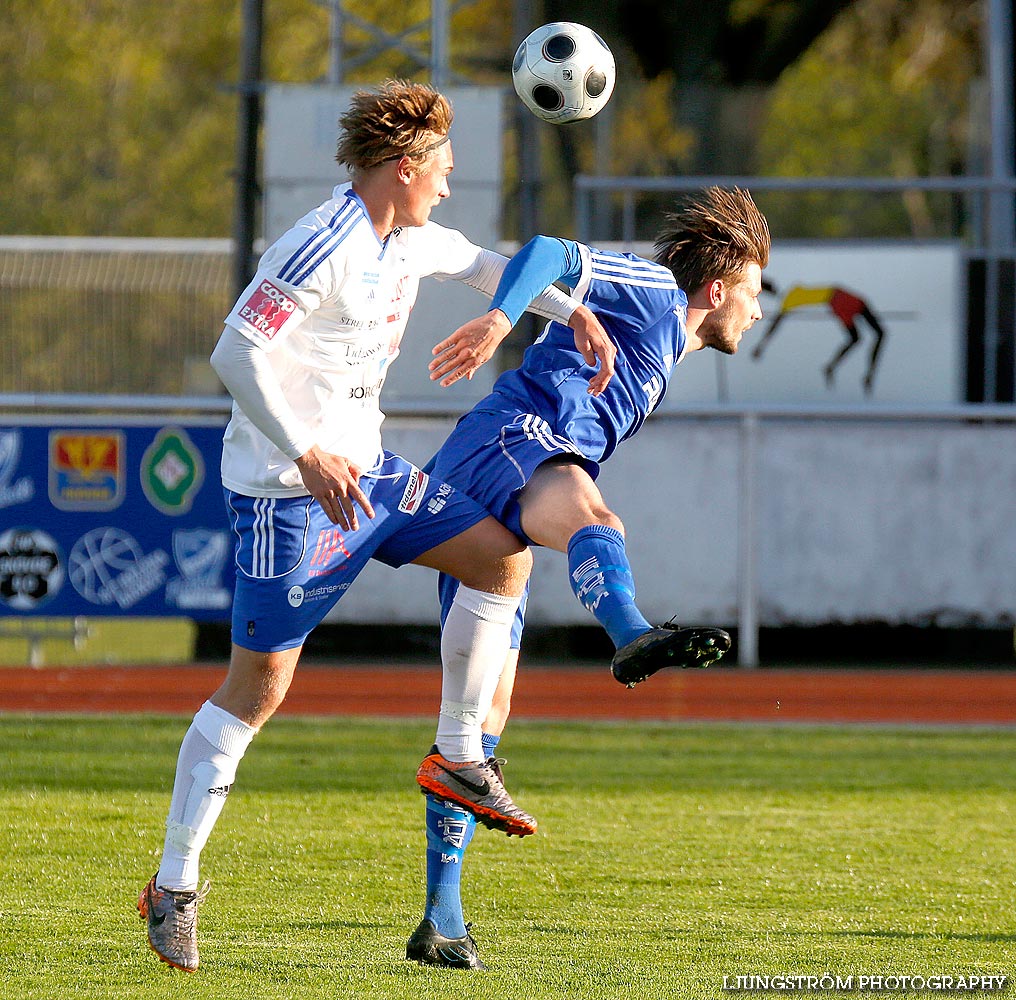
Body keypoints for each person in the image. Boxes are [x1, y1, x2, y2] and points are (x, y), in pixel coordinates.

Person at [136, 79, 615, 974]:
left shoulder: (410, 236)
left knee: (501, 560)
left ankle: (461, 757)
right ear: (405, 167)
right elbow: (234, 348)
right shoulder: (324, 240)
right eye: (441, 167)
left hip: (375, 479)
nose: (449, 181)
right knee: (256, 693)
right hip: (289, 492)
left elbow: (486, 266)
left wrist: (575, 310)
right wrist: (308, 452)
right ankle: (174, 885)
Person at [407, 186, 771, 969]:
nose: (758, 311)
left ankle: (441, 920)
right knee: (597, 523)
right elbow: (549, 251)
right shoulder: (657, 294)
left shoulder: (668, 345)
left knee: (475, 725)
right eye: (754, 294)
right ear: (717, 289)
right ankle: (632, 635)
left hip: (503, 474)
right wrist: (502, 319)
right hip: (509, 443)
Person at [751, 280, 887, 394]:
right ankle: (859, 373)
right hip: (838, 298)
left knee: (860, 337)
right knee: (870, 335)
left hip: (837, 299)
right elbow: (775, 324)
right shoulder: (790, 297)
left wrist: (761, 345)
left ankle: (837, 368)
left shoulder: (791, 295)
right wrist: (761, 345)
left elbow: (775, 324)